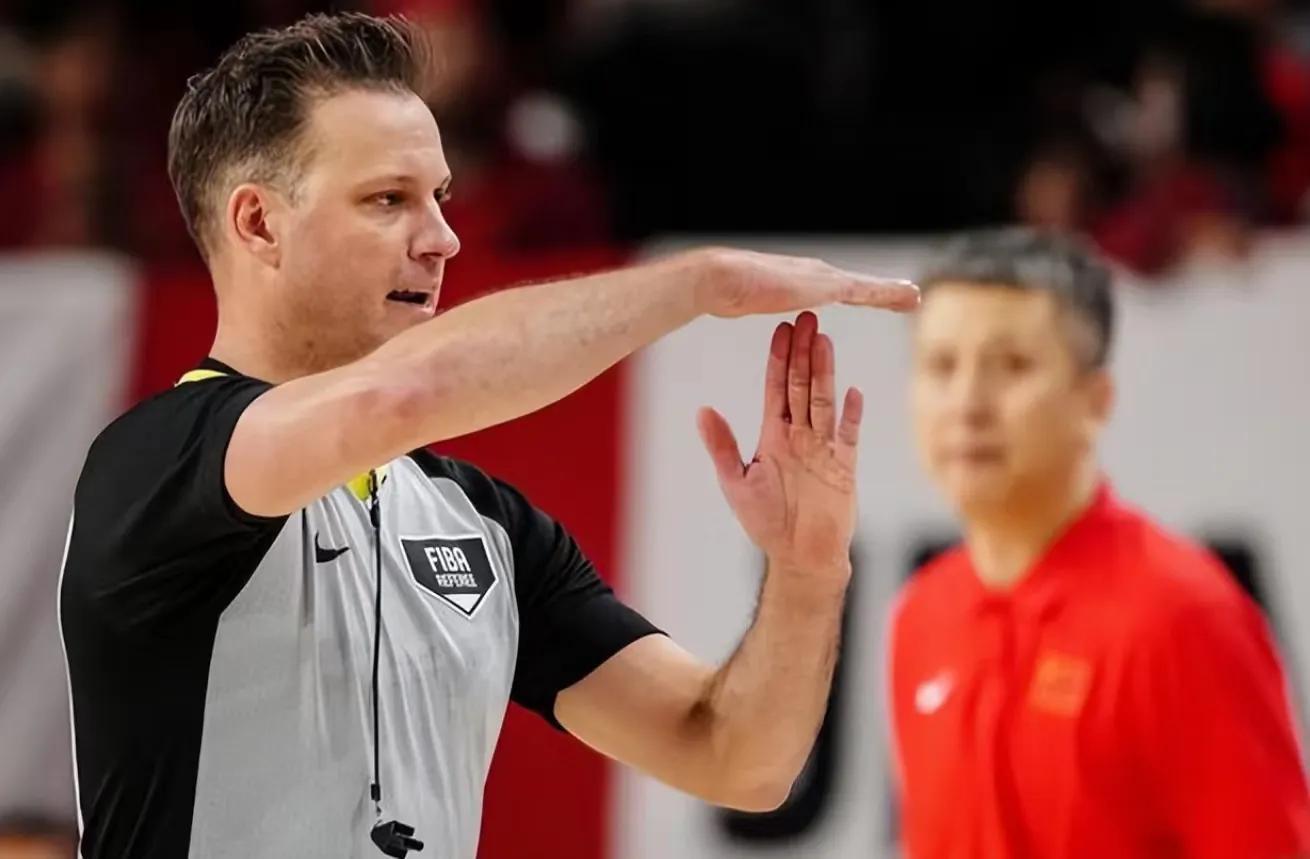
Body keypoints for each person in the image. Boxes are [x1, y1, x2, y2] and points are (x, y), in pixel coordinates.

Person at [56, 12, 918, 859]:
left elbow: (738, 759)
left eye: (438, 197)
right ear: (258, 223)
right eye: (388, 200)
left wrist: (807, 572)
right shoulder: (156, 463)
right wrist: (697, 285)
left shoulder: (483, 523)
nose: (443, 238)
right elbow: (400, 396)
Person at [887, 228, 1310, 858]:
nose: (967, 405)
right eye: (941, 367)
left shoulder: (1182, 617)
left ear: (1095, 399)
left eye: (1012, 366)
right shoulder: (923, 614)